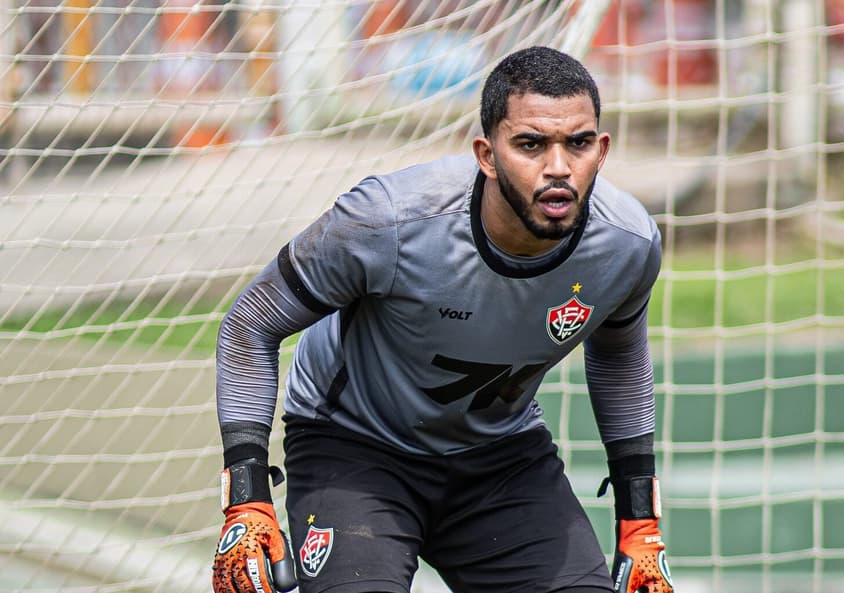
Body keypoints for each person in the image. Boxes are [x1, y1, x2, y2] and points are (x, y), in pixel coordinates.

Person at [211, 46, 674, 593]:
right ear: (487, 154)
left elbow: (619, 359)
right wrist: (246, 498)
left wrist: (639, 520)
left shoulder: (627, 245)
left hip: (500, 456)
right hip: (354, 446)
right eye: (530, 144)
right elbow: (250, 323)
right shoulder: (387, 220)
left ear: (602, 150)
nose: (557, 167)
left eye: (577, 143)